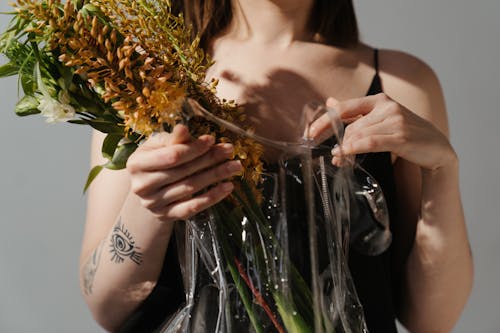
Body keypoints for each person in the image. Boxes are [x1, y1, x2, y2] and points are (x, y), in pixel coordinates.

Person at [79, 1, 473, 332]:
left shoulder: (402, 85)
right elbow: (108, 308)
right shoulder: (140, 75)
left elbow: (432, 321)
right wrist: (148, 208)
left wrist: (442, 171)